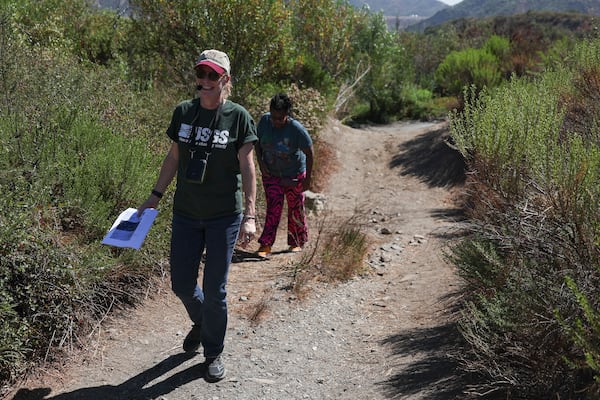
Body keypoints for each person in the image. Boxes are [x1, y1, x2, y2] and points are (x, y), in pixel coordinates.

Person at [137, 49, 257, 382]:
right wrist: (154, 196)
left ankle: (213, 351)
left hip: (224, 215)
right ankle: (203, 320)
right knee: (182, 285)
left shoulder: (238, 117)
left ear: (225, 80)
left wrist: (250, 214)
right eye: (200, 74)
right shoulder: (184, 113)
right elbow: (174, 157)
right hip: (187, 212)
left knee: (216, 289)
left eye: (212, 76)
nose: (204, 81)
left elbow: (248, 167)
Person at [255, 93, 313, 257]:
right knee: (273, 207)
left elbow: (310, 153)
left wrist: (307, 180)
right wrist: (261, 164)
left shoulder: (296, 129)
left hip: (293, 175)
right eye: (274, 117)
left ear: (287, 114)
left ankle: (296, 241)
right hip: (271, 173)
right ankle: (265, 244)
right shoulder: (265, 122)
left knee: (295, 208)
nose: (276, 121)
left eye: (280, 118)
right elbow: (257, 144)